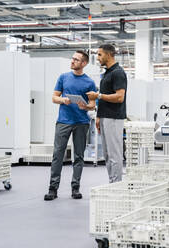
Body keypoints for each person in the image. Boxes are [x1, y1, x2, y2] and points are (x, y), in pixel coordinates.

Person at [44, 50, 96, 201]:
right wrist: (63, 100)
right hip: (63, 121)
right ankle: (53, 188)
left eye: (76, 59)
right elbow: (54, 97)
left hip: (81, 123)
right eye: (72, 58)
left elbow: (92, 104)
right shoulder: (63, 77)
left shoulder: (89, 82)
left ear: (84, 63)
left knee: (78, 156)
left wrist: (85, 106)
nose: (72, 61)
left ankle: (75, 188)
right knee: (57, 155)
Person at [87, 44, 127, 183]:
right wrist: (98, 117)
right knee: (107, 154)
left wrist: (98, 96)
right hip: (105, 116)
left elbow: (120, 96)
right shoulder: (107, 73)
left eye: (100, 54)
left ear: (109, 55)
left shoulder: (118, 73)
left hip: (114, 117)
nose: (97, 58)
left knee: (114, 154)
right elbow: (105, 96)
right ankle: (112, 182)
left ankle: (116, 186)